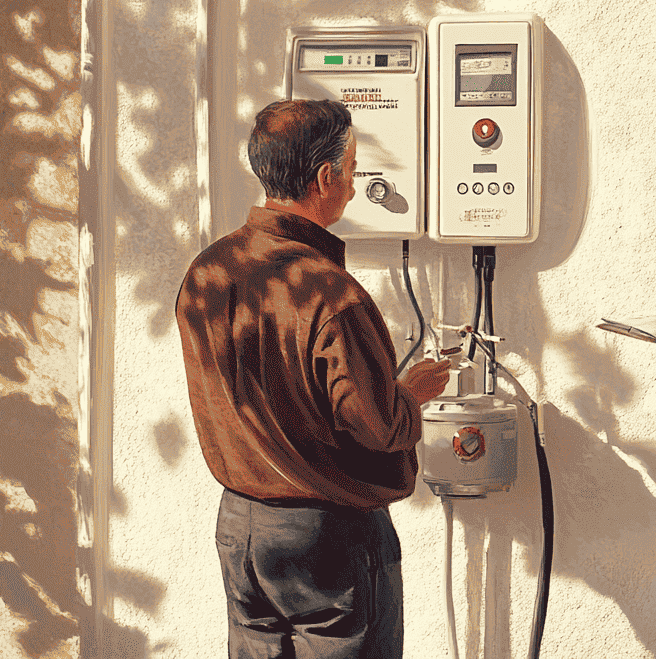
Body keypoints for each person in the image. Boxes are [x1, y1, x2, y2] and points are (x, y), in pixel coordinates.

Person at [176, 98, 451, 659]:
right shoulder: (330, 294)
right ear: (325, 177)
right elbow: (378, 428)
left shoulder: (208, 270)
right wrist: (413, 392)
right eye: (352, 172)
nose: (353, 186)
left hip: (241, 527)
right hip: (328, 536)